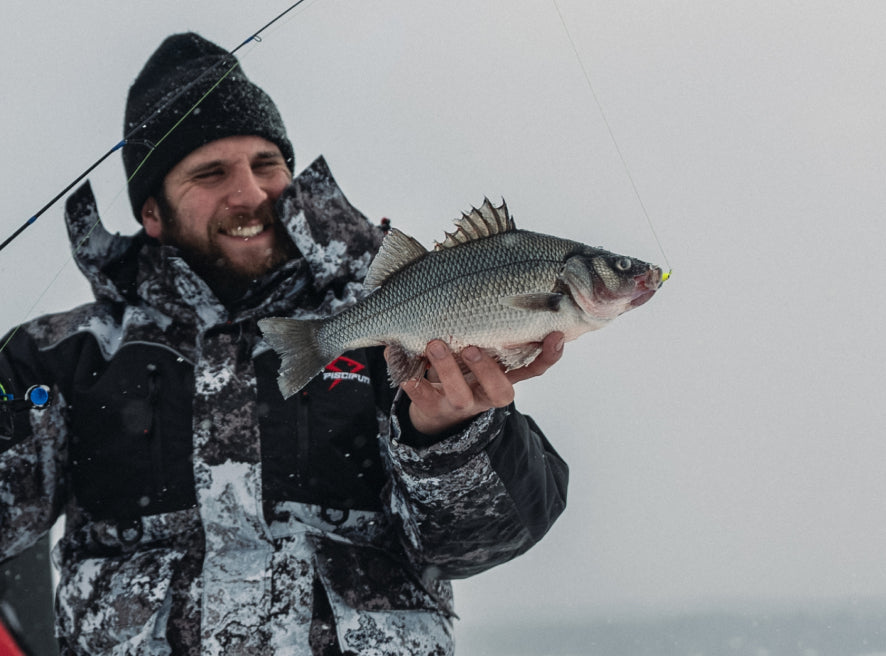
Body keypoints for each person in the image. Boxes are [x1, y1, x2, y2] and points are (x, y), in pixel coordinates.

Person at [0, 33, 568, 655]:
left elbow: (487, 541)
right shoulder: (59, 357)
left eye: (267, 165)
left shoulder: (395, 326)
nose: (249, 194)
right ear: (152, 211)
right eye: (210, 173)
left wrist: (449, 437)